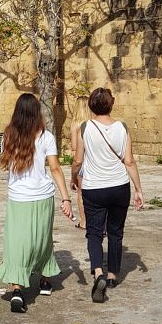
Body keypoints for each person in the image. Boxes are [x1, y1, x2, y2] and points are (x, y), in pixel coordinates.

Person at [0, 93, 73, 313]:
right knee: (43, 238)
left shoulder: (8, 135)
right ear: (37, 112)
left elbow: (8, 164)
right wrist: (66, 198)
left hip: (18, 197)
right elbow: (55, 168)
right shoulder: (46, 137)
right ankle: (45, 281)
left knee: (17, 243)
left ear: (17, 112)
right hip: (42, 196)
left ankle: (17, 289)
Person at [71, 87, 143, 303]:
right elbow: (129, 161)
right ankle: (112, 275)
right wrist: (138, 189)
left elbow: (78, 160)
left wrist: (73, 177)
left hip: (94, 187)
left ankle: (98, 272)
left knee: (94, 233)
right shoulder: (122, 127)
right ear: (112, 104)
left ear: (91, 105)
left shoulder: (85, 127)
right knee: (115, 232)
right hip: (119, 186)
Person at [70, 95, 91, 230]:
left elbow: (74, 146)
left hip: (82, 161)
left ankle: (84, 222)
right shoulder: (93, 123)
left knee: (81, 193)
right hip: (93, 160)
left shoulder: (75, 124)